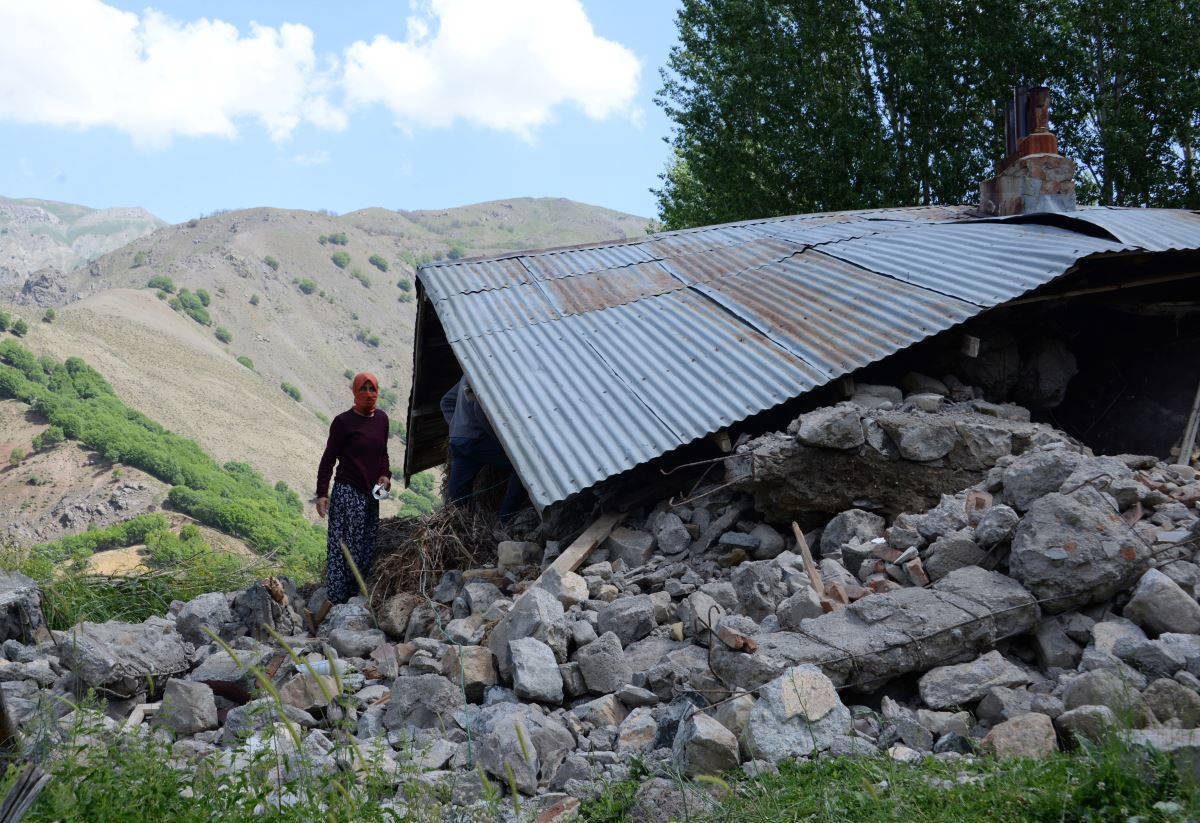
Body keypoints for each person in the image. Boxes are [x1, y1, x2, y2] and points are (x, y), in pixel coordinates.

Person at [314, 372, 391, 614]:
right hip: (347, 493)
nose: (369, 394)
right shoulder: (343, 422)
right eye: (363, 389)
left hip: (370, 496)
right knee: (344, 548)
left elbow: (383, 454)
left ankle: (357, 597)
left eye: (372, 389)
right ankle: (338, 600)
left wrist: (385, 475)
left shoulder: (382, 419)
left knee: (366, 545)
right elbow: (328, 459)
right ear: (355, 393)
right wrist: (322, 493)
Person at [441, 376, 525, 519]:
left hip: (458, 440)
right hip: (476, 439)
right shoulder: (488, 373)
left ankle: (453, 524)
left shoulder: (467, 374)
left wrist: (457, 427)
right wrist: (500, 441)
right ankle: (506, 520)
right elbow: (479, 410)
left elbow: (445, 402)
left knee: (456, 498)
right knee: (522, 468)